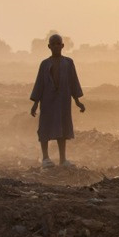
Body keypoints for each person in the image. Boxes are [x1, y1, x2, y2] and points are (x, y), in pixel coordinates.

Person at [30, 33, 85, 167]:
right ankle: (45, 158)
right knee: (44, 127)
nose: (55, 46)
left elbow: (73, 82)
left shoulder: (68, 63)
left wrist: (78, 102)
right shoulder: (44, 64)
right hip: (47, 101)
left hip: (63, 101)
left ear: (62, 46)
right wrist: (35, 103)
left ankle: (63, 159)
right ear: (49, 46)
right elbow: (39, 84)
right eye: (53, 44)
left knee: (63, 128)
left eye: (58, 43)